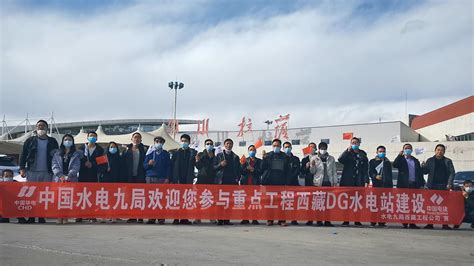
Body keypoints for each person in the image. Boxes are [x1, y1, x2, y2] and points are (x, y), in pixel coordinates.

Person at [19, 119, 59, 224]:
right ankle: (31, 216)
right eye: (38, 126)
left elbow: (57, 156)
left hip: (47, 172)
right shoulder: (30, 140)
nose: (40, 127)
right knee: (31, 195)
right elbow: (23, 155)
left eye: (43, 126)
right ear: (36, 128)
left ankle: (42, 216)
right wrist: (22, 168)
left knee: (44, 195)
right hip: (32, 171)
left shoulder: (52, 141)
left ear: (47, 128)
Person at [422, 144, 456, 230]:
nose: (439, 151)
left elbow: (452, 173)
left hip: (444, 186)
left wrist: (449, 183)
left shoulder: (448, 161)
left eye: (441, 150)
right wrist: (422, 166)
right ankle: (430, 223)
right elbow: (425, 172)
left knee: (444, 206)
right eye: (438, 150)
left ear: (444, 152)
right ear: (435, 151)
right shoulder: (430, 160)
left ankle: (445, 224)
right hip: (432, 186)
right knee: (431, 205)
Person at [338, 137, 368, 227]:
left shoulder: (363, 154)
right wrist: (347, 151)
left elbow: (365, 169)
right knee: (347, 202)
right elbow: (340, 160)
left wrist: (366, 180)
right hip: (348, 181)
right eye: (353, 143)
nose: (354, 144)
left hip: (358, 181)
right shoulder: (348, 153)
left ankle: (357, 220)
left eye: (356, 143)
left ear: (359, 144)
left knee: (357, 202)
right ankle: (346, 220)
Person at [393, 143, 425, 229]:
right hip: (404, 185)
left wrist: (421, 184)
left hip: (414, 184)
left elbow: (419, 173)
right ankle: (404, 221)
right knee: (404, 203)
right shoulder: (401, 159)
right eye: (406, 148)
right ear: (403, 149)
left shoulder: (415, 160)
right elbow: (395, 164)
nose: (408, 150)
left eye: (409, 148)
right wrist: (399, 155)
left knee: (413, 204)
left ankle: (412, 222)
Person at [52, 134, 81, 224]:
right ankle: (59, 217)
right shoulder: (57, 153)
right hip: (59, 179)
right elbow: (54, 165)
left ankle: (65, 217)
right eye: (65, 139)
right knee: (58, 199)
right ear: (63, 141)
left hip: (70, 179)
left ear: (72, 142)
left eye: (69, 139)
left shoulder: (76, 154)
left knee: (67, 199)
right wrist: (60, 175)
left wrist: (69, 175)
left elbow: (76, 166)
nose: (67, 141)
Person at [78, 131, 105, 223]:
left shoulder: (100, 150)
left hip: (94, 175)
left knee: (92, 196)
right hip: (82, 175)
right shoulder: (81, 148)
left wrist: (92, 164)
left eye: (94, 136)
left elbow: (102, 163)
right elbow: (77, 161)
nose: (92, 137)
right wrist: (84, 164)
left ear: (96, 138)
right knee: (81, 195)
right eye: (90, 136)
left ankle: (92, 215)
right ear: (87, 137)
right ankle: (80, 215)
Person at [261, 139, 290, 226]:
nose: (276, 147)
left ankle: (282, 220)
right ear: (272, 146)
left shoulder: (285, 156)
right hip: (270, 182)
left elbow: (288, 171)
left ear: (280, 147)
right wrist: (264, 159)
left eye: (277, 146)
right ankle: (270, 219)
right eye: (274, 145)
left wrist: (287, 183)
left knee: (281, 202)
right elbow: (262, 168)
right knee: (270, 202)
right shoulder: (268, 155)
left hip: (281, 183)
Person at [143, 136, 171, 225]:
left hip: (161, 178)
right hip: (150, 177)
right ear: (154, 142)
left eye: (160, 142)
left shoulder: (166, 154)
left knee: (161, 199)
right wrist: (149, 164)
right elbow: (144, 166)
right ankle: (151, 218)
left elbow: (168, 167)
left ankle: (161, 218)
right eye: (157, 141)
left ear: (163, 143)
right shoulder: (150, 153)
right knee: (151, 199)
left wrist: (167, 178)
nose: (158, 143)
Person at [309, 142, 337, 226]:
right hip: (318, 184)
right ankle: (319, 220)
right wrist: (312, 166)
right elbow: (312, 172)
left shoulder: (331, 158)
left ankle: (327, 221)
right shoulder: (314, 158)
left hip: (328, 183)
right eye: (321, 148)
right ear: (318, 149)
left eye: (324, 148)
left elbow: (334, 171)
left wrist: (335, 182)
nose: (323, 150)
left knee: (327, 204)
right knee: (319, 203)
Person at [171, 134, 197, 225]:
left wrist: (197, 160)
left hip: (188, 179)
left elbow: (198, 166)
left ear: (189, 142)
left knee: (186, 200)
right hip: (177, 179)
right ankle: (175, 218)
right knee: (176, 200)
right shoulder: (176, 153)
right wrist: (171, 179)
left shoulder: (193, 153)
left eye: (185, 141)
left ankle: (184, 218)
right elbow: (171, 166)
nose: (183, 142)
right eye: (182, 141)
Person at [214, 138, 241, 225]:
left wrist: (237, 178)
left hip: (231, 182)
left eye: (230, 144)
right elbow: (213, 168)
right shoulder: (219, 156)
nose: (228, 145)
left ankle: (227, 219)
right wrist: (220, 164)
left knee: (229, 202)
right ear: (224, 145)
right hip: (221, 181)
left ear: (232, 145)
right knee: (220, 201)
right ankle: (220, 219)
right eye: (227, 144)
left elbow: (238, 170)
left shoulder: (235, 157)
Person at [122, 132, 147, 223]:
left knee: (140, 197)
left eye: (138, 138)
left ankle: (140, 216)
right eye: (135, 137)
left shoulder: (144, 150)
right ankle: (132, 216)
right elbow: (123, 164)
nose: (136, 139)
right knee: (130, 197)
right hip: (129, 177)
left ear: (141, 140)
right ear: (131, 139)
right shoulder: (126, 151)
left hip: (140, 176)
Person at [194, 139, 218, 224]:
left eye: (211, 144)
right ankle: (198, 218)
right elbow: (198, 167)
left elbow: (216, 168)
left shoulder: (216, 156)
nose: (209, 145)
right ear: (205, 145)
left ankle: (212, 218)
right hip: (201, 180)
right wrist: (197, 160)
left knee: (212, 201)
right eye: (207, 144)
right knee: (199, 201)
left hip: (212, 181)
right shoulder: (200, 155)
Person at [369, 145, 393, 227]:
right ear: (377, 152)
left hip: (385, 186)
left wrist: (390, 187)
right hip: (376, 186)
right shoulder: (372, 161)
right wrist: (375, 176)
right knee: (375, 204)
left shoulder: (387, 162)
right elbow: (370, 172)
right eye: (380, 151)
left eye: (383, 152)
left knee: (384, 205)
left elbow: (390, 175)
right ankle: (373, 221)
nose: (382, 153)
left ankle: (382, 221)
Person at [240, 144, 263, 225]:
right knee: (245, 202)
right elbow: (241, 171)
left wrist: (253, 170)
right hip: (245, 184)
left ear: (255, 151)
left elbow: (261, 172)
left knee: (255, 202)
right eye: (250, 150)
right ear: (248, 151)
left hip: (255, 184)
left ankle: (254, 219)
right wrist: (246, 168)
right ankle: (245, 218)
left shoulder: (259, 161)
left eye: (253, 150)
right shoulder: (244, 161)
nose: (252, 151)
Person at [283, 141, 300, 225]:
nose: (287, 148)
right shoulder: (281, 158)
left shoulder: (296, 159)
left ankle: (294, 219)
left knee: (293, 202)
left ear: (291, 148)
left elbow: (297, 171)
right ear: (283, 148)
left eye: (288, 147)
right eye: (285, 147)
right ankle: (283, 219)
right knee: (283, 202)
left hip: (293, 183)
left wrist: (289, 179)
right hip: (283, 184)